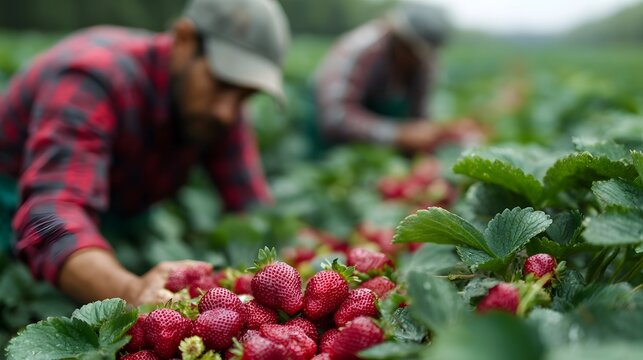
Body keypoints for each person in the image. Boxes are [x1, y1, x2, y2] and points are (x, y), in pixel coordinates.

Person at [0, 0, 289, 306]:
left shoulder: (215, 111)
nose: (227, 111)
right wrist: (130, 291)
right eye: (221, 84)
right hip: (15, 204)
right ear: (184, 39)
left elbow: (251, 206)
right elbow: (51, 216)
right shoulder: (93, 77)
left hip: (121, 212)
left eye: (246, 96)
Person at [312, 0, 485, 154]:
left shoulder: (423, 63)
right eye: (411, 51)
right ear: (400, 39)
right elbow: (335, 119)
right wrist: (397, 134)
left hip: (374, 150)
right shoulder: (360, 50)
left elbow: (419, 117)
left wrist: (439, 134)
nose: (416, 60)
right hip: (327, 140)